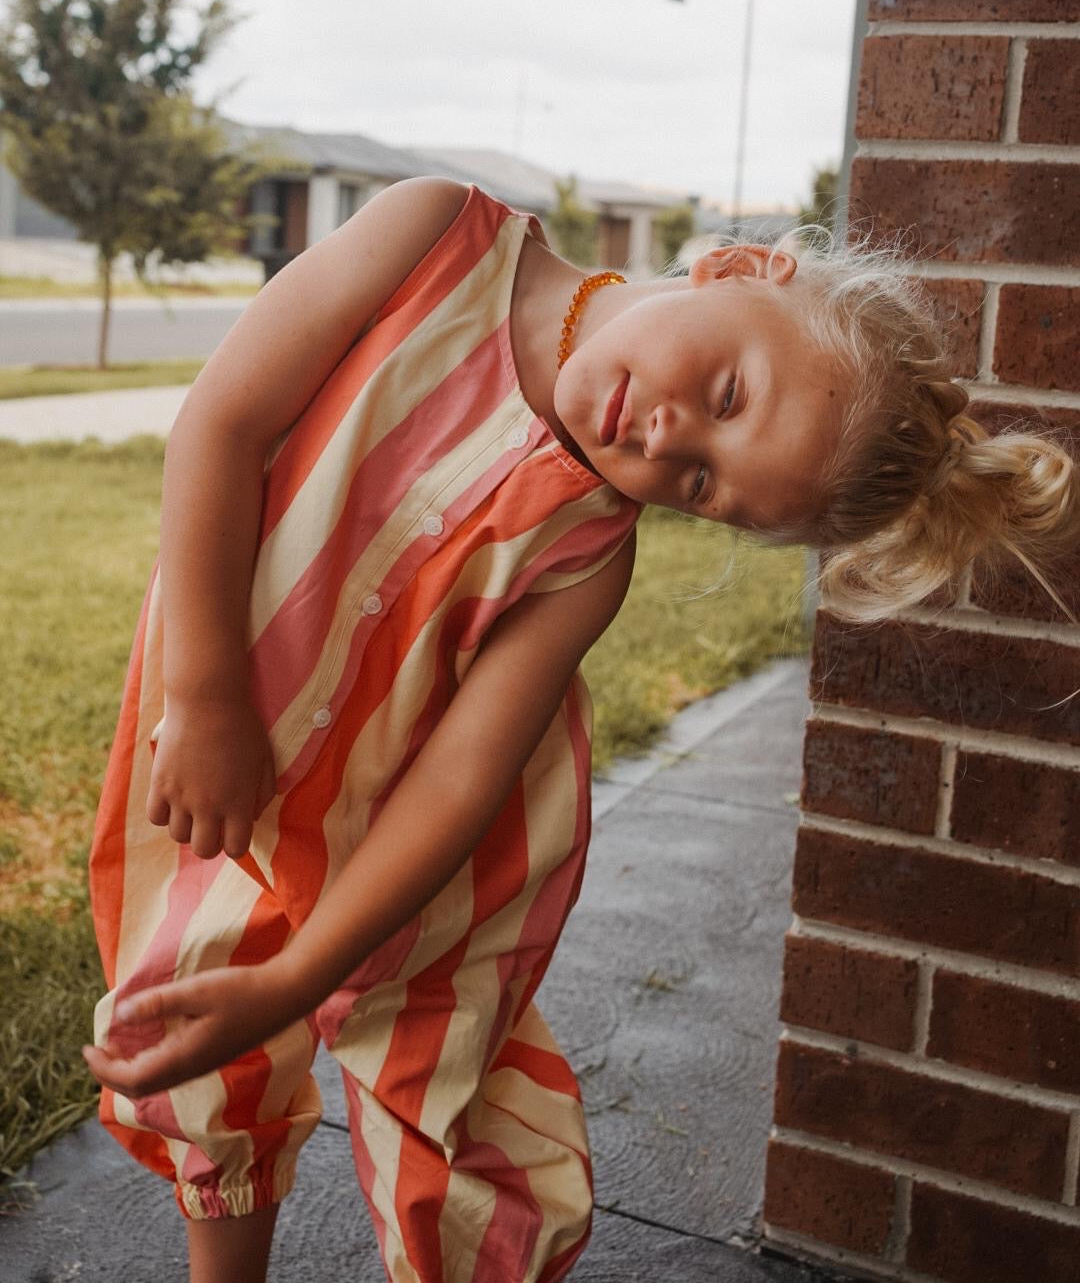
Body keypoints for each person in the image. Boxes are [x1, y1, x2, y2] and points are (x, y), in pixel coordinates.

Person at [83, 175, 1079, 1283]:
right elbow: (220, 419)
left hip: (420, 838)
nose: (664, 441)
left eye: (700, 482)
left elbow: (461, 777)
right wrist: (208, 693)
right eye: (727, 391)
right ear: (742, 268)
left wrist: (303, 974)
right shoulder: (433, 237)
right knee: (194, 999)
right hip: (225, 709)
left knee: (443, 1074)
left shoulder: (587, 556)